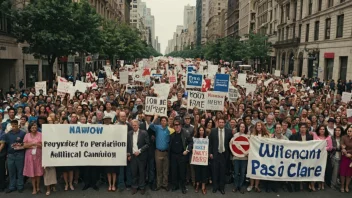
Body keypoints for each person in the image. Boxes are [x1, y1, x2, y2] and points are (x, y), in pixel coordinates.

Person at [0, 120, 26, 193]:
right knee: (11, 172)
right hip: (10, 155)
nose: (13, 126)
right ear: (11, 125)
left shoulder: (23, 133)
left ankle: (20, 186)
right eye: (12, 125)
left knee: (20, 172)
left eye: (15, 125)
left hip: (20, 154)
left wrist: (20, 145)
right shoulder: (7, 134)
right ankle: (12, 186)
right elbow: (5, 145)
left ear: (18, 125)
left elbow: (25, 144)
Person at [208, 118, 232, 194]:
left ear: (224, 123)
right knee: (215, 171)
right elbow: (210, 143)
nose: (221, 123)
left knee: (222, 172)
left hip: (224, 155)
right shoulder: (213, 131)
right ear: (217, 123)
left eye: (222, 122)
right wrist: (210, 153)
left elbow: (230, 143)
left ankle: (222, 187)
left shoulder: (228, 131)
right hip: (215, 154)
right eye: (220, 122)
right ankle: (215, 187)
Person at [169, 119, 193, 194]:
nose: (176, 126)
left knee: (182, 172)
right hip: (173, 156)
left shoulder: (185, 133)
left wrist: (187, 150)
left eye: (178, 125)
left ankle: (183, 187)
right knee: (174, 172)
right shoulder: (172, 135)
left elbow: (191, 142)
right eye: (175, 125)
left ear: (180, 126)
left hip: (182, 156)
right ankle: (175, 186)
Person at [127, 119, 150, 195]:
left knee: (142, 172)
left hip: (141, 156)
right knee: (134, 173)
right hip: (133, 156)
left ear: (138, 125)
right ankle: (134, 187)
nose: (134, 126)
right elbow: (128, 145)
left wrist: (139, 151)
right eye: (133, 125)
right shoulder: (129, 133)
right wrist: (129, 154)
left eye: (135, 125)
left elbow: (147, 144)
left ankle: (142, 187)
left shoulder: (144, 133)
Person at [149, 114, 170, 191]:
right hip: (158, 152)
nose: (163, 122)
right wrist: (155, 118)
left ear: (167, 122)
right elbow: (150, 126)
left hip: (166, 153)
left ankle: (165, 184)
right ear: (160, 122)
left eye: (165, 121)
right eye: (162, 121)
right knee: (158, 170)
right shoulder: (157, 127)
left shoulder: (169, 129)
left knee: (165, 170)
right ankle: (159, 184)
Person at [23, 123, 43, 194]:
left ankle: (38, 187)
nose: (34, 129)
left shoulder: (40, 134)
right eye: (32, 127)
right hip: (29, 156)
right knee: (32, 172)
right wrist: (33, 144)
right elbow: (25, 145)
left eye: (35, 127)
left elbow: (43, 145)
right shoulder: (27, 135)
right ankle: (34, 188)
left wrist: (32, 144)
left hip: (38, 155)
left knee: (38, 172)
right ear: (30, 128)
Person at [232, 123, 250, 194]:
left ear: (245, 128)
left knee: (242, 173)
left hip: (244, 158)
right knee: (236, 173)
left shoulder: (247, 137)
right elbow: (232, 145)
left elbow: (249, 146)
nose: (242, 128)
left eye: (243, 127)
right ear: (239, 128)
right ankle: (236, 186)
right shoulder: (235, 136)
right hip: (236, 157)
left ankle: (241, 186)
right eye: (241, 127)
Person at [103, 115, 119, 192]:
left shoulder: (114, 128)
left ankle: (113, 185)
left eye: (108, 119)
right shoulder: (101, 128)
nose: (107, 121)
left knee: (114, 171)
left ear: (110, 120)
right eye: (106, 120)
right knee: (108, 171)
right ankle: (109, 184)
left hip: (114, 152)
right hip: (106, 152)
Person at [193, 126, 208, 195]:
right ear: (198, 131)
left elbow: (209, 147)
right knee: (197, 172)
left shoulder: (207, 138)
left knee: (204, 172)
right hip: (197, 159)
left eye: (202, 130)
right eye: (200, 130)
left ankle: (203, 186)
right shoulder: (195, 139)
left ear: (204, 131)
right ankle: (197, 185)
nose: (201, 131)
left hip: (204, 158)